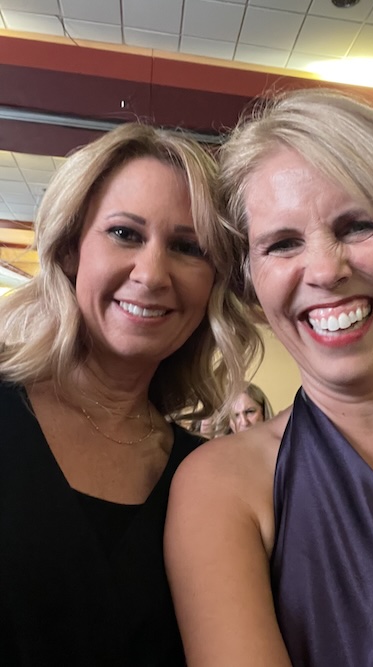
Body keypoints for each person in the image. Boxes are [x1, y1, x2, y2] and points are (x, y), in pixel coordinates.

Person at [164, 88, 373, 666]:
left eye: (357, 226)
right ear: (252, 285)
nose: (325, 270)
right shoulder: (222, 487)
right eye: (283, 243)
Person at [0, 122, 259, 666]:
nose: (153, 273)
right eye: (125, 233)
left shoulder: (205, 476)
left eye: (188, 247)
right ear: (69, 250)